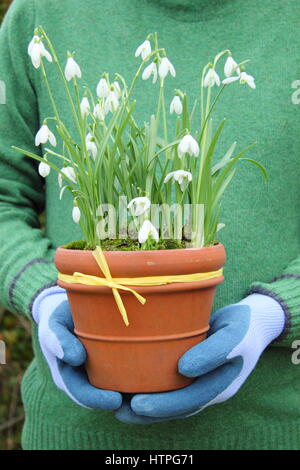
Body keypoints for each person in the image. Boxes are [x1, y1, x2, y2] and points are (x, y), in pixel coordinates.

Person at [0, 0, 299, 451]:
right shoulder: (42, 12)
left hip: (273, 432)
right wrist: (44, 297)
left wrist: (275, 315)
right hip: (74, 437)